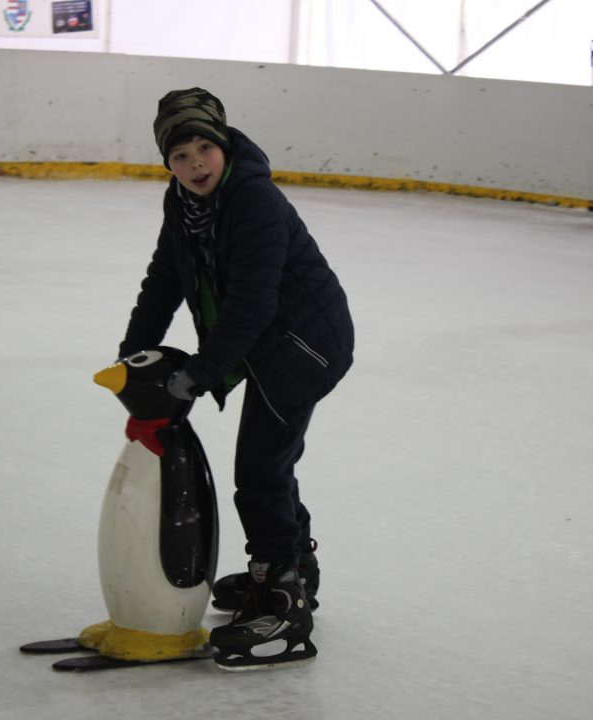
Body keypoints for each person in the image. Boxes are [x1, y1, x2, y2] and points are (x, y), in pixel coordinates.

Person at [116, 88, 354, 670]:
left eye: (204, 148)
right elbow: (164, 279)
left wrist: (199, 373)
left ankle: (282, 598)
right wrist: (132, 353)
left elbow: (251, 303)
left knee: (260, 469)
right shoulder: (183, 203)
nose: (195, 163)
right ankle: (294, 567)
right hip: (270, 338)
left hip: (303, 343)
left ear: (223, 145)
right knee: (270, 462)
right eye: (180, 156)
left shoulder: (254, 200)